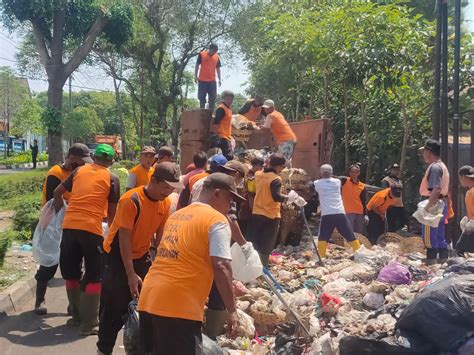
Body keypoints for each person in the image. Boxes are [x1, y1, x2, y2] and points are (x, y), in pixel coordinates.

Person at [137, 173, 242, 354]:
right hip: (178, 306)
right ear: (216, 194)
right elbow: (221, 265)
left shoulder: (178, 215)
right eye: (230, 198)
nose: (231, 205)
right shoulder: (217, 220)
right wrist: (232, 310)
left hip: (149, 298)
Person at [97, 162, 182, 355]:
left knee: (145, 305)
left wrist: (159, 267)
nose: (168, 192)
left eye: (172, 188)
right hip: (117, 257)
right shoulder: (131, 200)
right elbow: (124, 239)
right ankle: (104, 349)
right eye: (166, 187)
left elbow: (159, 238)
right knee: (113, 309)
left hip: (142, 256)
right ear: (154, 181)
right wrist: (130, 275)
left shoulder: (165, 203)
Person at [53, 144, 120, 336]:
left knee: (71, 272)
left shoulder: (79, 171)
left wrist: (59, 214)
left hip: (69, 226)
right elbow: (112, 214)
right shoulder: (112, 178)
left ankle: (76, 317)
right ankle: (89, 324)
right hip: (91, 229)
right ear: (111, 161)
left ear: (94, 157)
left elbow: (57, 192)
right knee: (95, 274)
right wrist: (110, 236)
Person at [34, 143, 93, 316]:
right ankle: (39, 300)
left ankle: (73, 305)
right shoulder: (56, 174)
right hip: (53, 226)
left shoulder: (79, 173)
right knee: (48, 264)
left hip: (71, 226)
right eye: (81, 161)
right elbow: (57, 203)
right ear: (72, 158)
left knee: (73, 266)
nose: (83, 165)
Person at [247, 154, 290, 267]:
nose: (282, 170)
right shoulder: (276, 179)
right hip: (271, 215)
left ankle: (252, 267)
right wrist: (288, 198)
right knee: (266, 244)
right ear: (279, 166)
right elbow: (276, 197)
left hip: (257, 212)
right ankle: (263, 268)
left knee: (255, 241)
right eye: (282, 167)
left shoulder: (258, 174)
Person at [313, 164, 361, 258]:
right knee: (349, 234)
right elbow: (342, 178)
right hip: (340, 212)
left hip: (327, 214)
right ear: (331, 173)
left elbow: (309, 186)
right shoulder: (337, 182)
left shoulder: (317, 183)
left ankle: (321, 257)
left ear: (321, 173)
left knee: (323, 235)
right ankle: (360, 253)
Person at [419, 139, 450, 264]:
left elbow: (435, 189)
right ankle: (443, 258)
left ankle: (431, 259)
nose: (423, 155)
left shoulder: (435, 167)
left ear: (428, 152)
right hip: (442, 202)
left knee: (429, 234)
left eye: (424, 151)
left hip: (433, 202)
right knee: (439, 233)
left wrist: (427, 207)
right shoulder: (442, 165)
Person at [239, 157, 265, 235]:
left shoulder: (249, 174)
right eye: (261, 166)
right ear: (257, 165)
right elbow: (250, 195)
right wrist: (253, 210)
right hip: (249, 207)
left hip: (247, 205)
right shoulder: (252, 177)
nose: (262, 169)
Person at [340, 164, 367, 235]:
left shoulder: (362, 186)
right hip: (347, 211)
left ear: (359, 173)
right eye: (352, 171)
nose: (353, 173)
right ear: (349, 173)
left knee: (358, 234)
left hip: (359, 212)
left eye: (355, 172)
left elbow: (364, 201)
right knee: (349, 232)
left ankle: (358, 246)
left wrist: (366, 214)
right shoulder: (344, 181)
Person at [195, 43, 222, 110]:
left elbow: (218, 68)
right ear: (210, 49)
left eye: (215, 51)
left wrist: (219, 79)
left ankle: (210, 113)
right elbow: (197, 65)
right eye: (213, 51)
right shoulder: (202, 54)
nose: (214, 53)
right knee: (201, 98)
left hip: (212, 81)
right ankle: (202, 112)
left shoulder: (216, 57)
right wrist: (195, 76)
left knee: (212, 98)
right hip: (202, 80)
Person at [381, 164, 406, 232]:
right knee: (391, 224)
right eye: (394, 170)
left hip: (400, 205)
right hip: (390, 206)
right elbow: (383, 193)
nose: (396, 172)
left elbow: (402, 193)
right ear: (391, 170)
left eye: (397, 170)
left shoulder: (399, 181)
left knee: (403, 224)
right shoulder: (386, 180)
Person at [456, 166, 474, 255]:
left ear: (463, 177)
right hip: (471, 226)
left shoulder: (471, 192)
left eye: (460, 178)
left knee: (461, 249)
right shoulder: (470, 191)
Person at [213, 90, 235, 160]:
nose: (230, 101)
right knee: (228, 157)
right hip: (221, 136)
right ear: (224, 98)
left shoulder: (229, 109)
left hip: (227, 136)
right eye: (228, 99)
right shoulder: (221, 108)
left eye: (231, 99)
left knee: (228, 156)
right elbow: (216, 123)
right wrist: (217, 136)